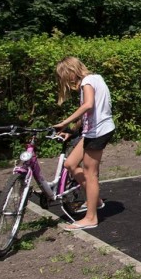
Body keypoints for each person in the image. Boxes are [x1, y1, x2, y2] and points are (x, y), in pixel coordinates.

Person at [52, 57, 115, 230]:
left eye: (66, 76)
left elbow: (88, 105)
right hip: (92, 131)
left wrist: (64, 122)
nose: (68, 80)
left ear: (72, 71)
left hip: (98, 132)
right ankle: (96, 200)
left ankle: (91, 218)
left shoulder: (87, 81)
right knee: (70, 164)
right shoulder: (97, 79)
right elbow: (88, 114)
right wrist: (71, 131)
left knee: (90, 174)